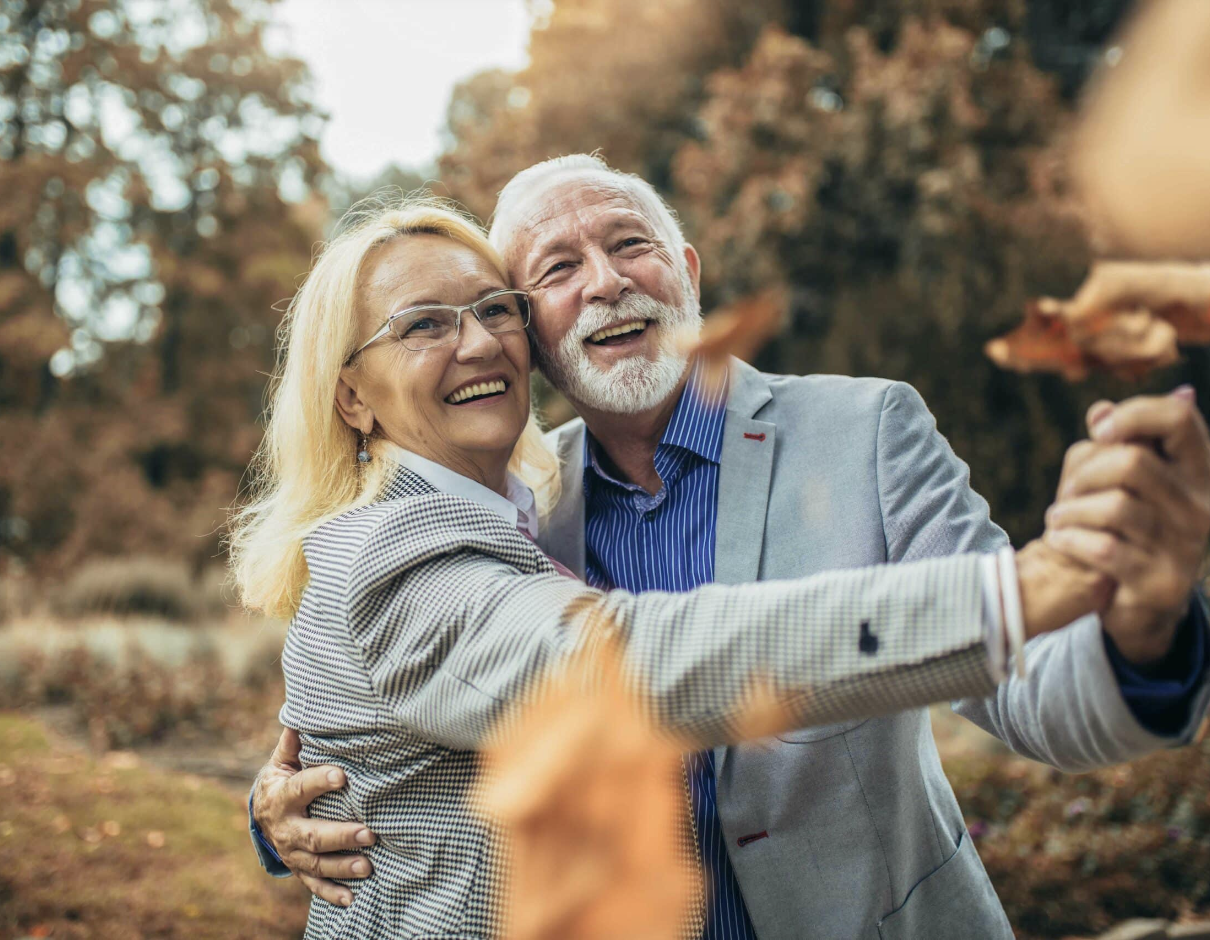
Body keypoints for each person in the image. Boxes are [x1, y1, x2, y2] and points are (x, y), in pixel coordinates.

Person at [250, 159, 1210, 939]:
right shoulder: (525, 506)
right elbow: (435, 703)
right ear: (535, 332)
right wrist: (284, 806)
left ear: (689, 274)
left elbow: (1037, 694)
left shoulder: (866, 432)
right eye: (556, 268)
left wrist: (1143, 624)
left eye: (631, 244)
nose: (607, 280)